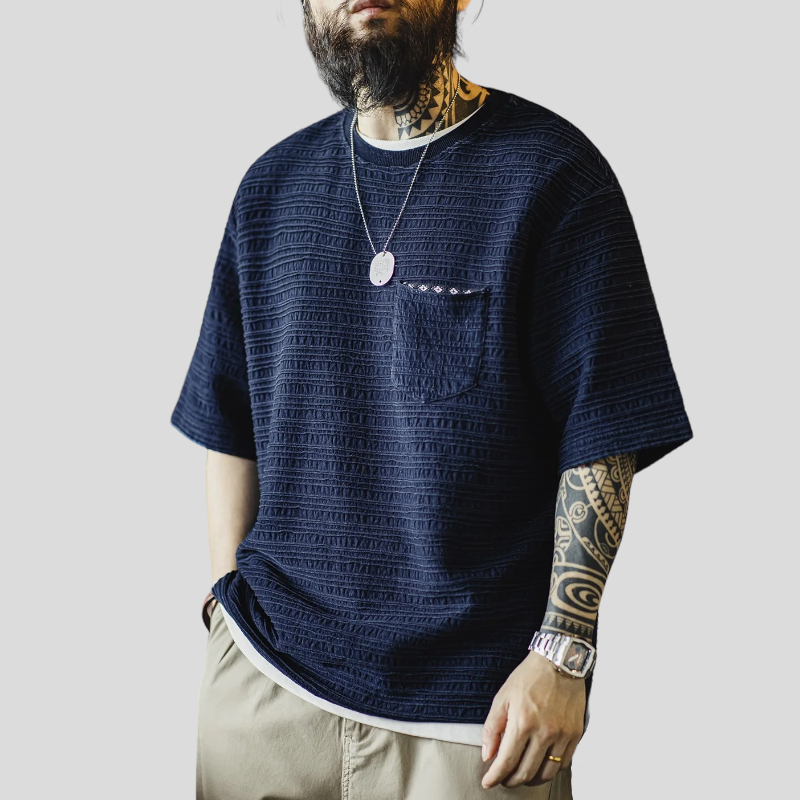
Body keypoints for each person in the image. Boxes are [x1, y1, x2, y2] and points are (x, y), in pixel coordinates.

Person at [171, 1, 694, 797]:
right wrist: (227, 620)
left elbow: (603, 431)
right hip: (265, 700)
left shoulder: (551, 175)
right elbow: (227, 417)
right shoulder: (272, 188)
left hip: (474, 725)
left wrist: (564, 654)